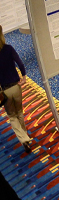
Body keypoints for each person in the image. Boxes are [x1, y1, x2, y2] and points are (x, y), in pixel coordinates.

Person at [0, 26, 33, 154]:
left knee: (12, 116)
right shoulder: (9, 48)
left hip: (5, 90)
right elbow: (20, 63)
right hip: (16, 87)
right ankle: (26, 141)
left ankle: (24, 139)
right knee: (19, 112)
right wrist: (23, 77)